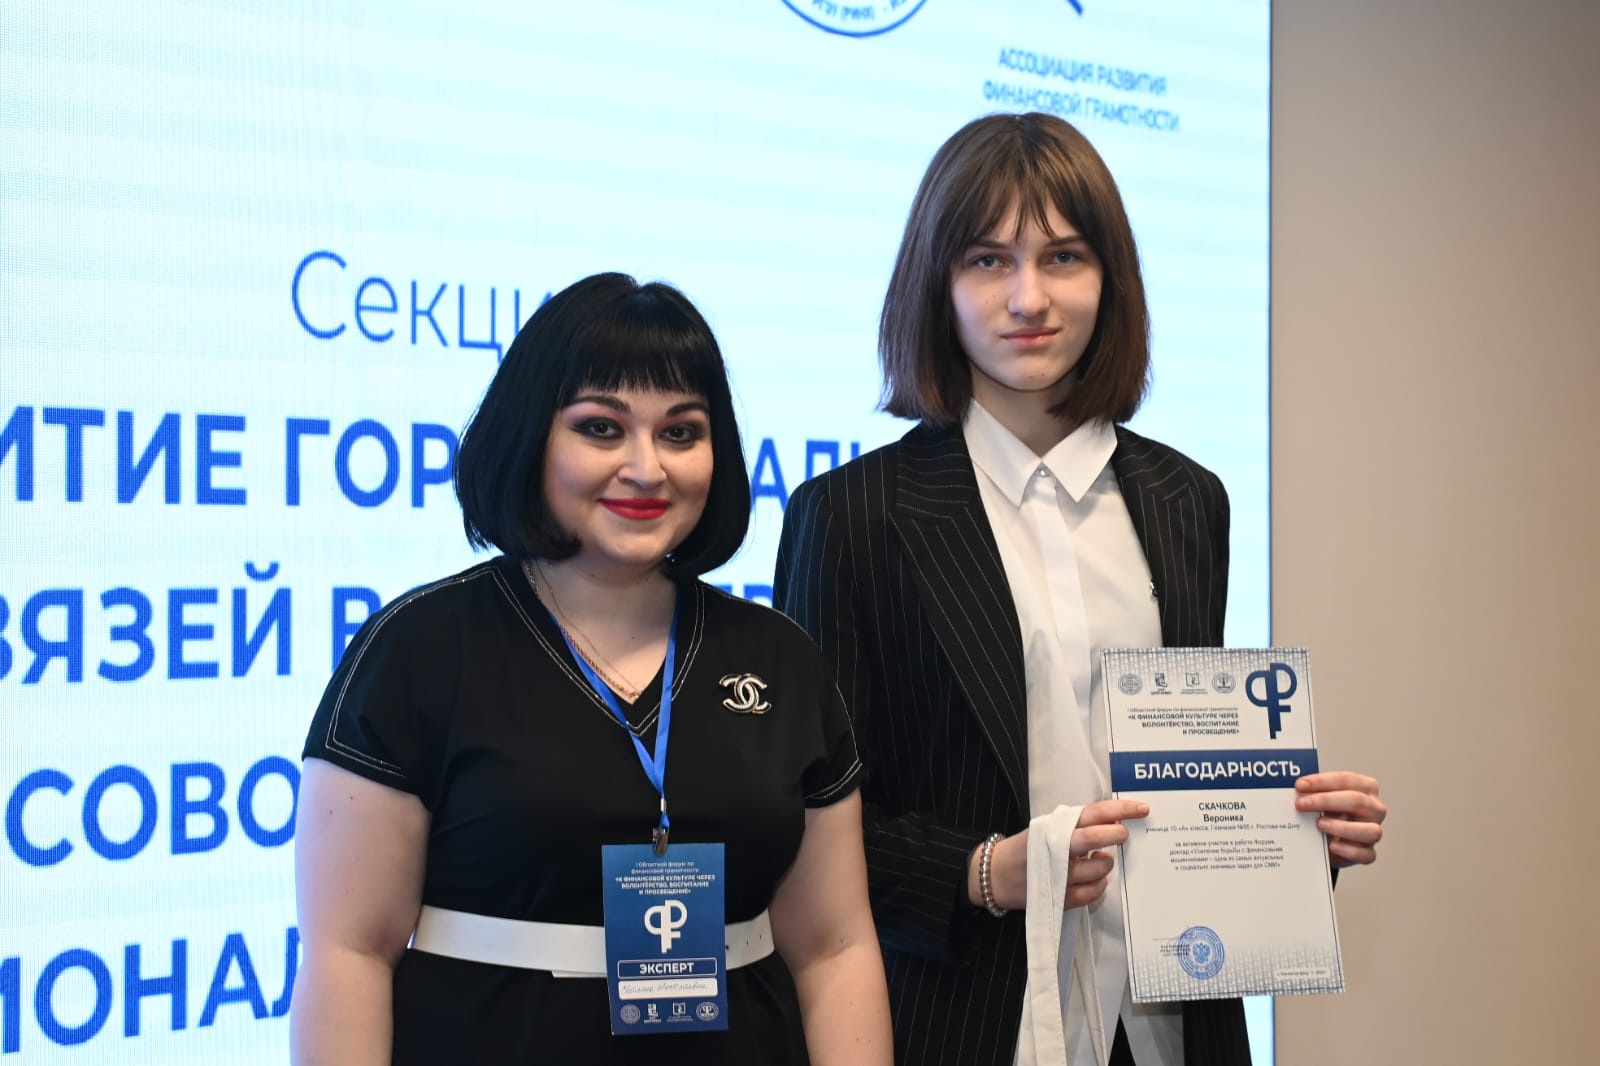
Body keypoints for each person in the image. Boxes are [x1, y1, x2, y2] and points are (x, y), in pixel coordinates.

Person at [773, 112, 1388, 1066]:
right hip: (968, 1023)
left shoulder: (1188, 500)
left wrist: (1294, 835)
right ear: (936, 283)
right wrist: (985, 872)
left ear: (1110, 279)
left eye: (1063, 257)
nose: (1029, 297)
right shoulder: (852, 515)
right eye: (987, 260)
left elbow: (1194, 778)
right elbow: (812, 836)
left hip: (1170, 1022)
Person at [292, 272, 892, 1065]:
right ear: (529, 437)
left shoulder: (780, 659)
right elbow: (349, 955)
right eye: (601, 428)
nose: (647, 468)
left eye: (681, 433)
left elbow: (834, 950)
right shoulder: (418, 650)